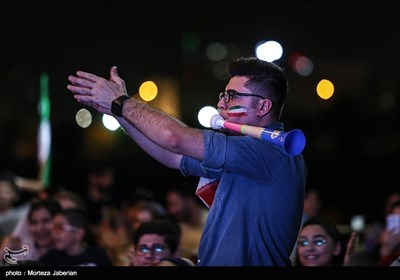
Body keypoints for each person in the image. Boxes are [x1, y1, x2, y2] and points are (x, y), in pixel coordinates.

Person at [67, 56, 307, 266]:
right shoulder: (241, 152)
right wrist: (117, 113)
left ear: (264, 106)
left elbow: (175, 138)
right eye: (223, 94)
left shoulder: (272, 151)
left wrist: (122, 102)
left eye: (232, 96)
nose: (221, 103)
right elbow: (173, 156)